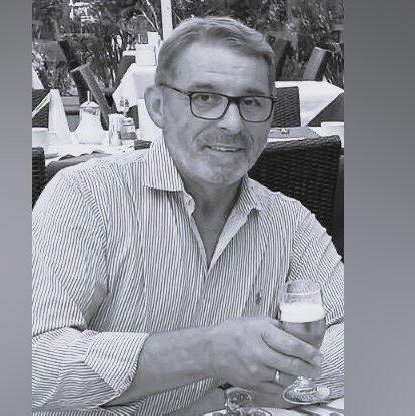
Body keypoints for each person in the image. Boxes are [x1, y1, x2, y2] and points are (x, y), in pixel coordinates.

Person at [32, 16, 344, 415]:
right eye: (205, 98)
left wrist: (230, 396)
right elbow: (36, 364)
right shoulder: (87, 197)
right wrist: (208, 351)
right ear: (158, 107)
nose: (232, 124)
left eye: (251, 102)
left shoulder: (289, 222)